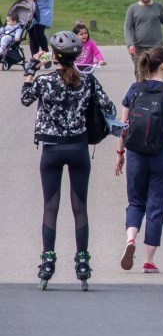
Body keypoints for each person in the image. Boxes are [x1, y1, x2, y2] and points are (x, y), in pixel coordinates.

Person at [21, 31, 116, 289]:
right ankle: (82, 261)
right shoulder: (88, 81)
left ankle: (48, 260)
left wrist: (31, 69)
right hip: (78, 148)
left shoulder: (45, 81)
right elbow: (109, 108)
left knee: (51, 207)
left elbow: (25, 98)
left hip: (51, 149)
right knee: (80, 207)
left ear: (55, 55)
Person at [115, 47, 163, 274]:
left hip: (136, 154)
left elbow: (123, 127)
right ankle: (148, 260)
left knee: (135, 201)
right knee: (156, 205)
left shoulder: (134, 89)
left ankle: (131, 239)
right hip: (162, 154)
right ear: (162, 65)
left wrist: (120, 154)